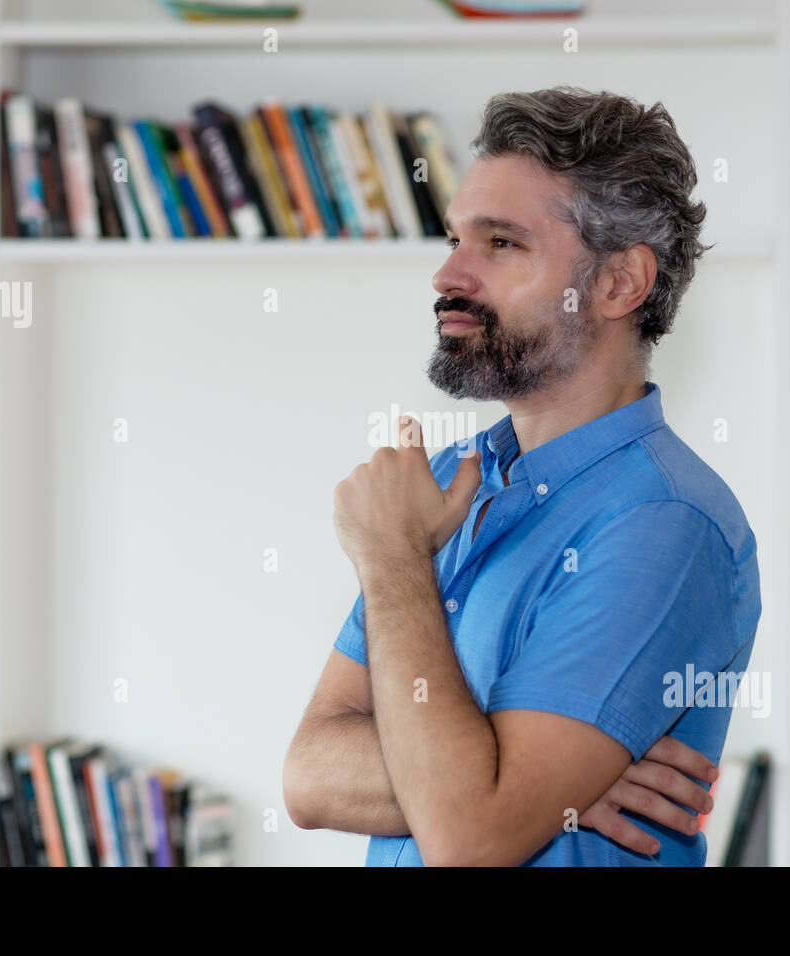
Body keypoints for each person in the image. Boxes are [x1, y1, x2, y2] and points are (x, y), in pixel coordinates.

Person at [284, 86, 761, 866]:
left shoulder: (663, 521)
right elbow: (307, 775)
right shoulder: (444, 483)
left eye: (501, 244)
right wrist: (541, 786)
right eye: (454, 239)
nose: (449, 274)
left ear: (619, 284)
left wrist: (392, 558)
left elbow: (471, 836)